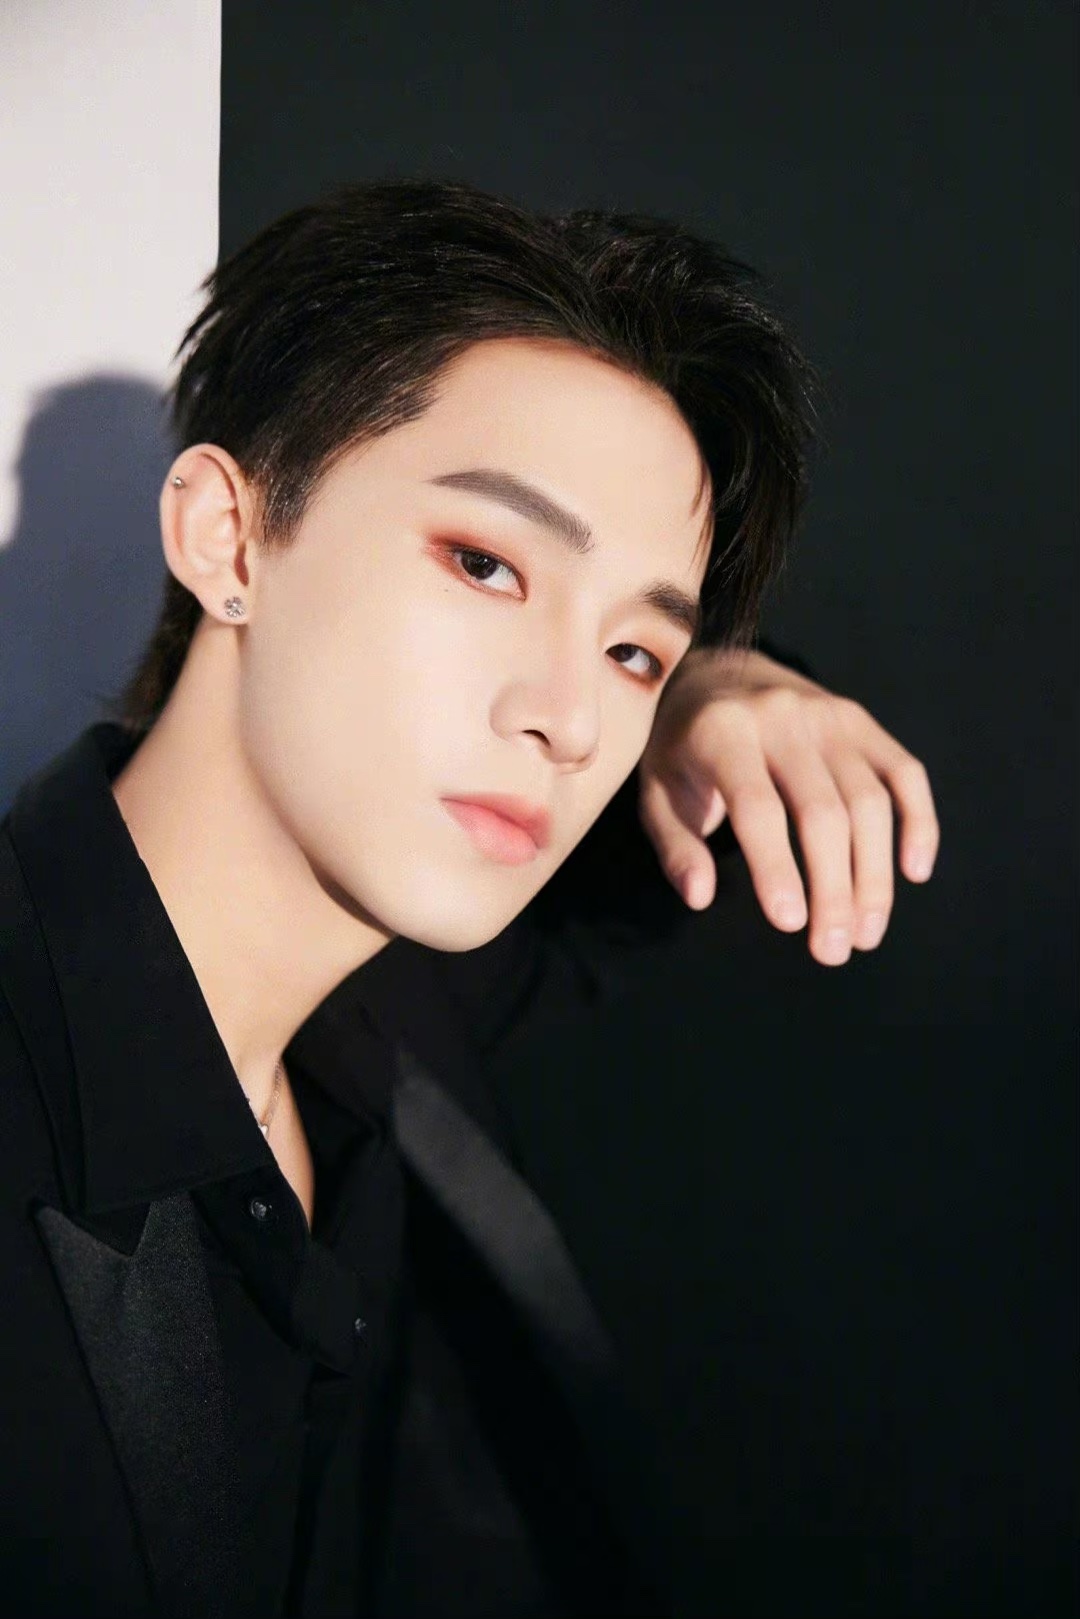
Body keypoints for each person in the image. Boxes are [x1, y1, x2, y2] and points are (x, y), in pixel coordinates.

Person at [0, 178, 938, 1618]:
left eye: (630, 652)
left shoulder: (400, 991)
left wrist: (720, 681)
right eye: (486, 563)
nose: (572, 718)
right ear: (229, 539)